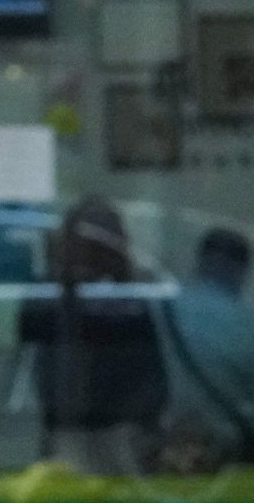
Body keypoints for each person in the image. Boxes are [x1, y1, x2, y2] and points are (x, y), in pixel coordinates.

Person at [9, 196, 165, 476]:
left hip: (120, 433)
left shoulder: (129, 298)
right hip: (68, 433)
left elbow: (147, 375)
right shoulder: (48, 298)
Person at [157, 226, 254, 466]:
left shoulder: (161, 309)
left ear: (200, 261)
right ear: (243, 269)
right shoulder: (253, 328)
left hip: (162, 451)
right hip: (227, 456)